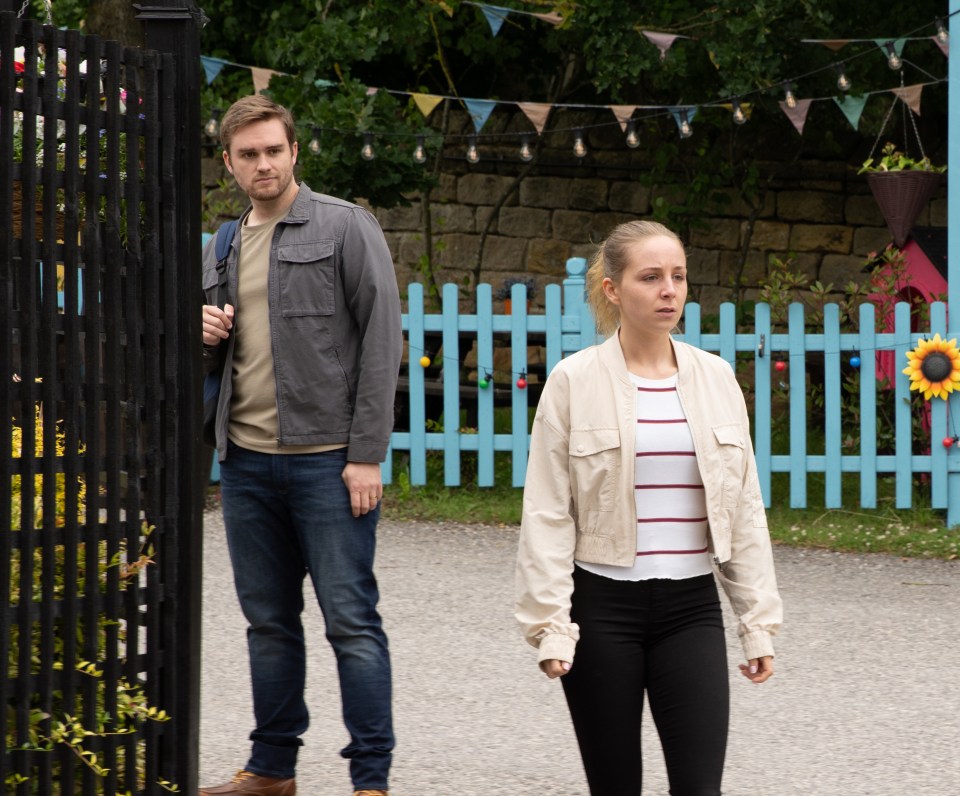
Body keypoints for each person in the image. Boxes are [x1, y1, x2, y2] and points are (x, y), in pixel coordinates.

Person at [515, 219, 783, 795]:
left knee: (699, 788)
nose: (669, 290)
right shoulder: (573, 381)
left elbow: (744, 508)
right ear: (613, 290)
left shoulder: (716, 378)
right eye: (651, 277)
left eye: (678, 277)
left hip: (691, 610)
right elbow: (547, 512)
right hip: (603, 610)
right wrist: (552, 628)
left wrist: (756, 625)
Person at [199, 95, 401, 796]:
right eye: (248, 154)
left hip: (328, 464)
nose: (263, 164)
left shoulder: (346, 226)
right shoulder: (221, 245)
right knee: (268, 626)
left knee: (351, 622)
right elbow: (215, 362)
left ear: (294, 152)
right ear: (229, 163)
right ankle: (271, 769)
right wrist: (203, 337)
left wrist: (366, 454)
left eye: (273, 150)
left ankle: (370, 780)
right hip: (247, 464)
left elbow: (381, 344)